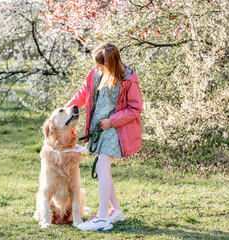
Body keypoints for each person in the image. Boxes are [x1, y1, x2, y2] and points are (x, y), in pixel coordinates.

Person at [65, 42, 143, 231]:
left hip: (115, 128)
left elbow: (135, 108)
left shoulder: (128, 79)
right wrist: (65, 111)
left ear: (111, 63)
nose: (97, 68)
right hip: (99, 129)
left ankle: (101, 218)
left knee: (101, 166)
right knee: (103, 170)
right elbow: (82, 94)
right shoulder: (96, 73)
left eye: (100, 65)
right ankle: (116, 211)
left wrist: (112, 121)